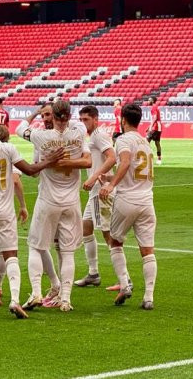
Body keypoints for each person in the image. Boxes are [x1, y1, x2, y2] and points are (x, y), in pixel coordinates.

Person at [0, 117, 63, 318]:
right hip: (5, 212)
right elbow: (30, 170)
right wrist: (50, 160)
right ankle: (15, 301)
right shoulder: (7, 149)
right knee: (11, 255)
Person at [16, 100, 92, 312]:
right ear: (68, 115)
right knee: (68, 252)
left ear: (53, 116)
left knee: (36, 246)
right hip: (71, 201)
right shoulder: (78, 131)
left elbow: (20, 128)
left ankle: (37, 292)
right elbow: (87, 157)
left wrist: (35, 113)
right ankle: (65, 299)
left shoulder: (42, 136)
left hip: (48, 200)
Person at [99, 104, 157, 311]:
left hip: (127, 200)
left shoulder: (123, 139)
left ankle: (124, 285)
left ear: (123, 120)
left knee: (115, 242)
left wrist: (111, 184)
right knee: (148, 250)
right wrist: (109, 177)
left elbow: (124, 163)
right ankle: (149, 297)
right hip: (147, 201)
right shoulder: (146, 142)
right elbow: (131, 169)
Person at [0, 125, 30, 306]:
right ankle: (0, 286)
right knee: (5, 250)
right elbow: (16, 181)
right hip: (4, 209)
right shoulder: (9, 154)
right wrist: (23, 206)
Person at [74, 105, 119, 287]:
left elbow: (112, 157)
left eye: (86, 119)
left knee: (108, 235)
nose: (84, 123)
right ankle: (93, 274)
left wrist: (93, 177)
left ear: (95, 119)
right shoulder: (92, 137)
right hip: (95, 192)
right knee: (86, 229)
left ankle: (124, 280)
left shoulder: (99, 135)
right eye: (81, 120)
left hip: (101, 191)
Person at [146, 97, 164, 165]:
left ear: (152, 101)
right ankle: (159, 159)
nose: (148, 101)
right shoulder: (155, 107)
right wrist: (149, 127)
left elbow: (155, 117)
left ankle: (147, 158)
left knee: (146, 142)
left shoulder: (153, 107)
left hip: (155, 127)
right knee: (157, 143)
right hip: (158, 127)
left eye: (149, 100)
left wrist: (151, 126)